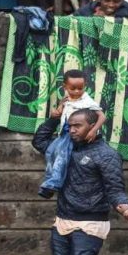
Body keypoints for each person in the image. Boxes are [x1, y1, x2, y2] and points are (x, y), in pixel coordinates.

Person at [32, 108, 128, 255]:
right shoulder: (64, 148)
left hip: (91, 223)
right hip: (63, 220)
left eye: (78, 126)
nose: (72, 130)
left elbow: (115, 190)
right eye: (70, 126)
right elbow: (39, 142)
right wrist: (53, 119)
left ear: (93, 127)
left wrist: (126, 209)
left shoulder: (107, 155)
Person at [38, 70, 106, 199]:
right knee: (50, 152)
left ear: (85, 86)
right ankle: (49, 180)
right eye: (72, 88)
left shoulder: (87, 101)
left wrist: (92, 131)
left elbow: (102, 117)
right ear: (65, 87)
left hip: (76, 135)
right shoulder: (66, 99)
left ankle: (53, 184)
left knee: (61, 156)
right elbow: (61, 110)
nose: (76, 91)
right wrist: (56, 112)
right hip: (64, 132)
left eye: (80, 88)